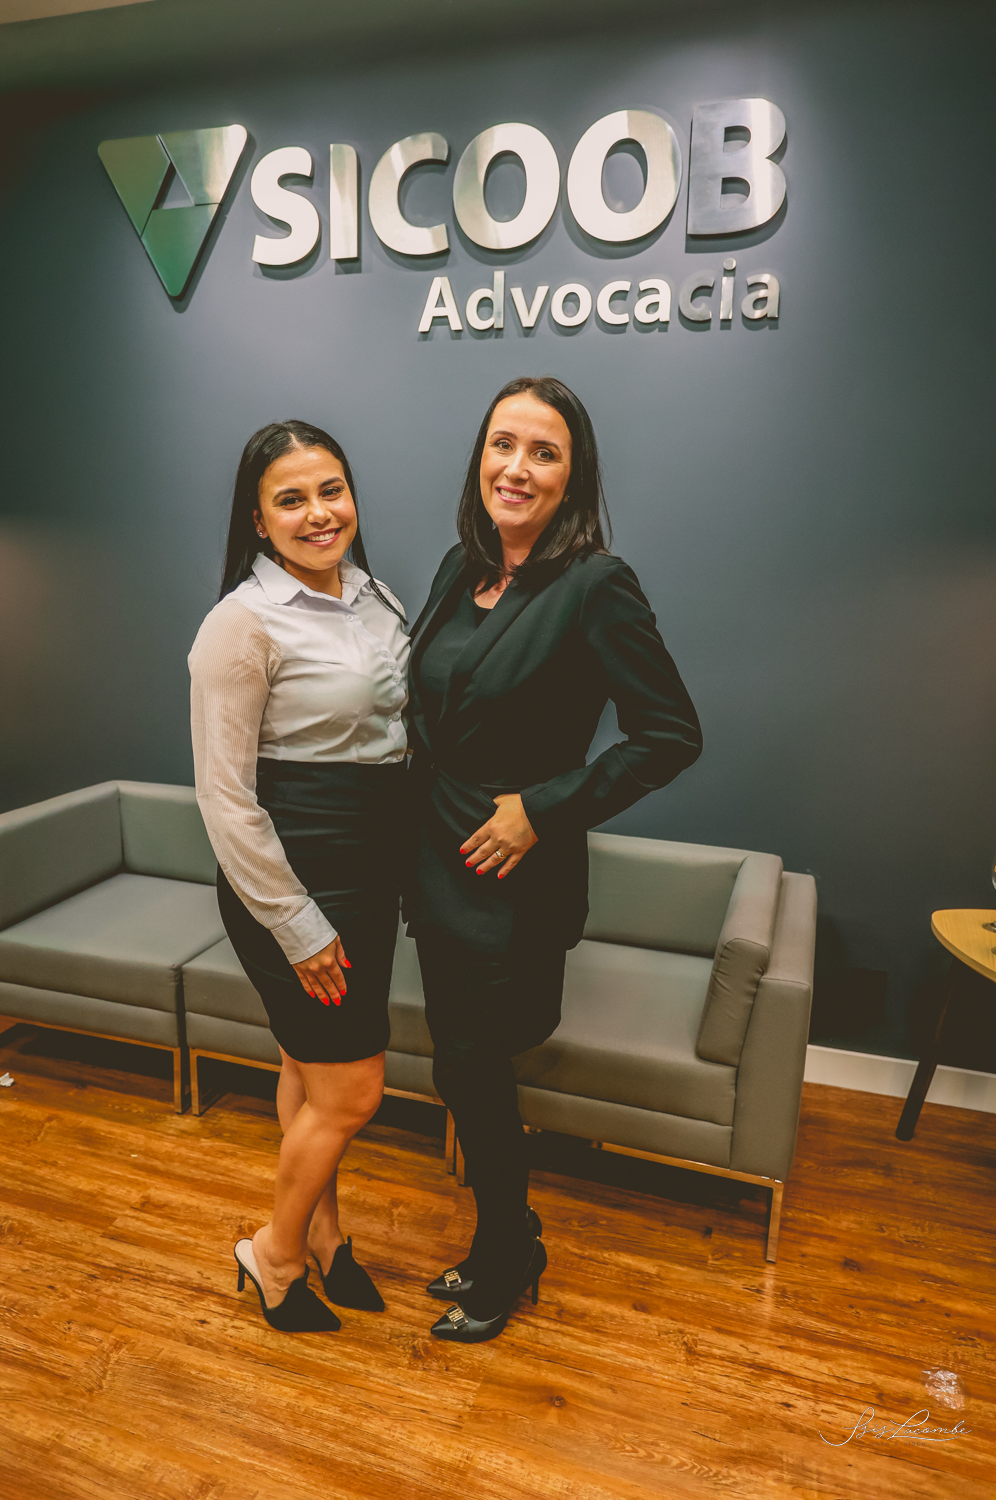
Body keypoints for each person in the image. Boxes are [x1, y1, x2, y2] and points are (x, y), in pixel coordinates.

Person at [406, 376, 703, 1343]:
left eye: (544, 452)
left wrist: (542, 808)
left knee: (475, 1067)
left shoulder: (596, 584)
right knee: (460, 1072)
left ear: (574, 476)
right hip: (434, 862)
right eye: (503, 444)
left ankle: (508, 1251)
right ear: (479, 457)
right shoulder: (458, 567)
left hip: (511, 879)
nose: (517, 468)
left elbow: (670, 734)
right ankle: (511, 1236)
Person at [189, 420, 409, 1333]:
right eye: (291, 499)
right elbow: (224, 797)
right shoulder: (241, 624)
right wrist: (299, 924)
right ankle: (273, 1254)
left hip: (370, 869)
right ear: (258, 519)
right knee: (354, 1092)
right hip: (297, 877)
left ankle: (324, 1235)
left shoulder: (376, 595)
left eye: (331, 491)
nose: (319, 513)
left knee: (308, 1071)